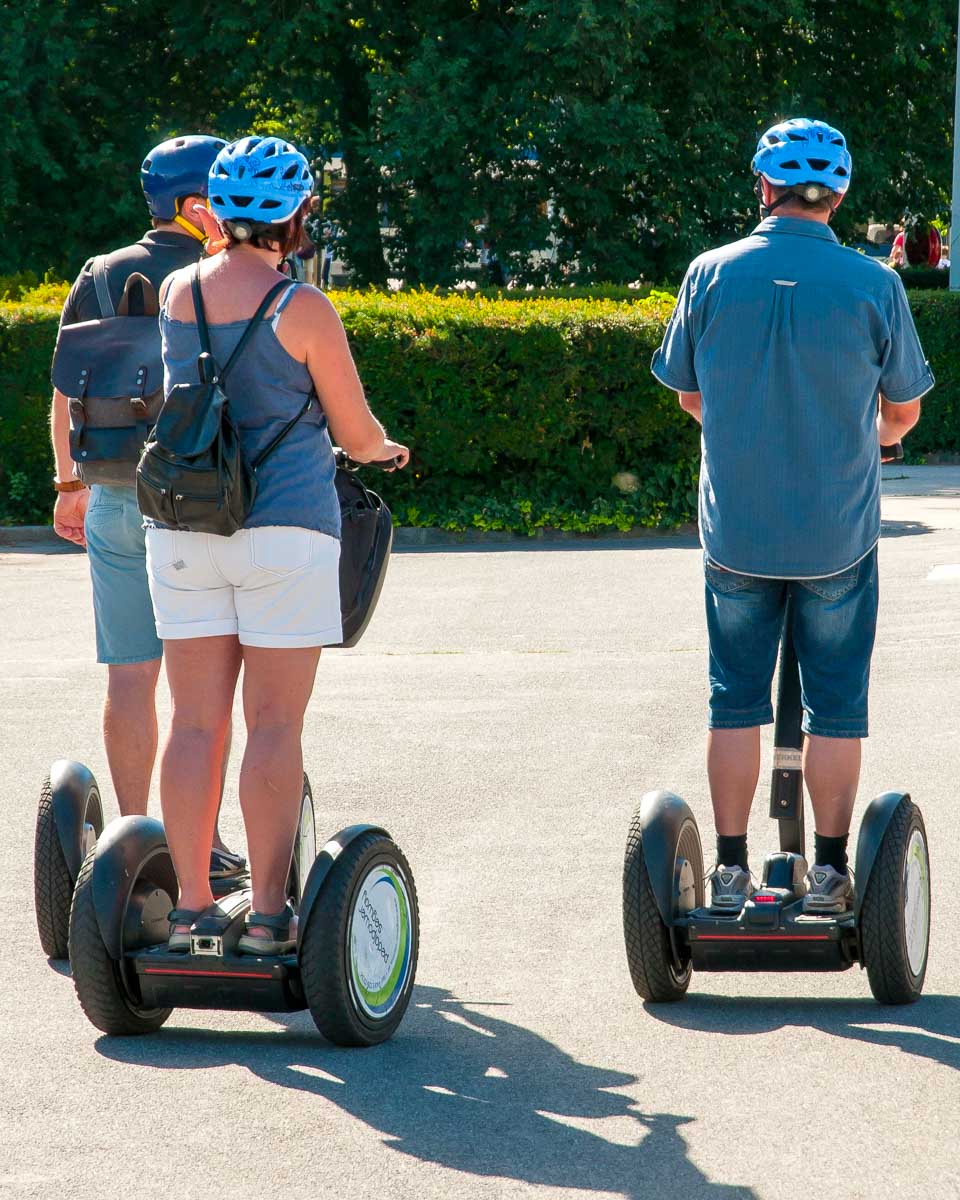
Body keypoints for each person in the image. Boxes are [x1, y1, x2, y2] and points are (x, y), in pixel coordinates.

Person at [651, 117, 934, 913]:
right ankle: (836, 872)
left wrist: (745, 430)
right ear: (839, 194)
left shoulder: (709, 273)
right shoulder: (875, 284)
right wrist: (863, 435)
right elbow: (903, 414)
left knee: (733, 699)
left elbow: (687, 392)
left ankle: (733, 865)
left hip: (737, 531)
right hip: (836, 536)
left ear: (763, 187)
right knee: (835, 703)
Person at [150, 135, 409, 953]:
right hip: (286, 532)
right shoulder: (305, 309)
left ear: (219, 211)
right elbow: (356, 431)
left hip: (185, 528)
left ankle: (190, 907)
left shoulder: (176, 293)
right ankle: (267, 915)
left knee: (193, 725)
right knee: (272, 726)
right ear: (296, 215)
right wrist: (387, 451)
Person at [50, 134, 244, 878]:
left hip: (113, 492)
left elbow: (66, 386)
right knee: (205, 689)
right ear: (200, 203)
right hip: (205, 504)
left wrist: (69, 483)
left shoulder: (99, 275)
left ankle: (130, 842)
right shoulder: (222, 275)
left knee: (130, 674)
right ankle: (207, 840)